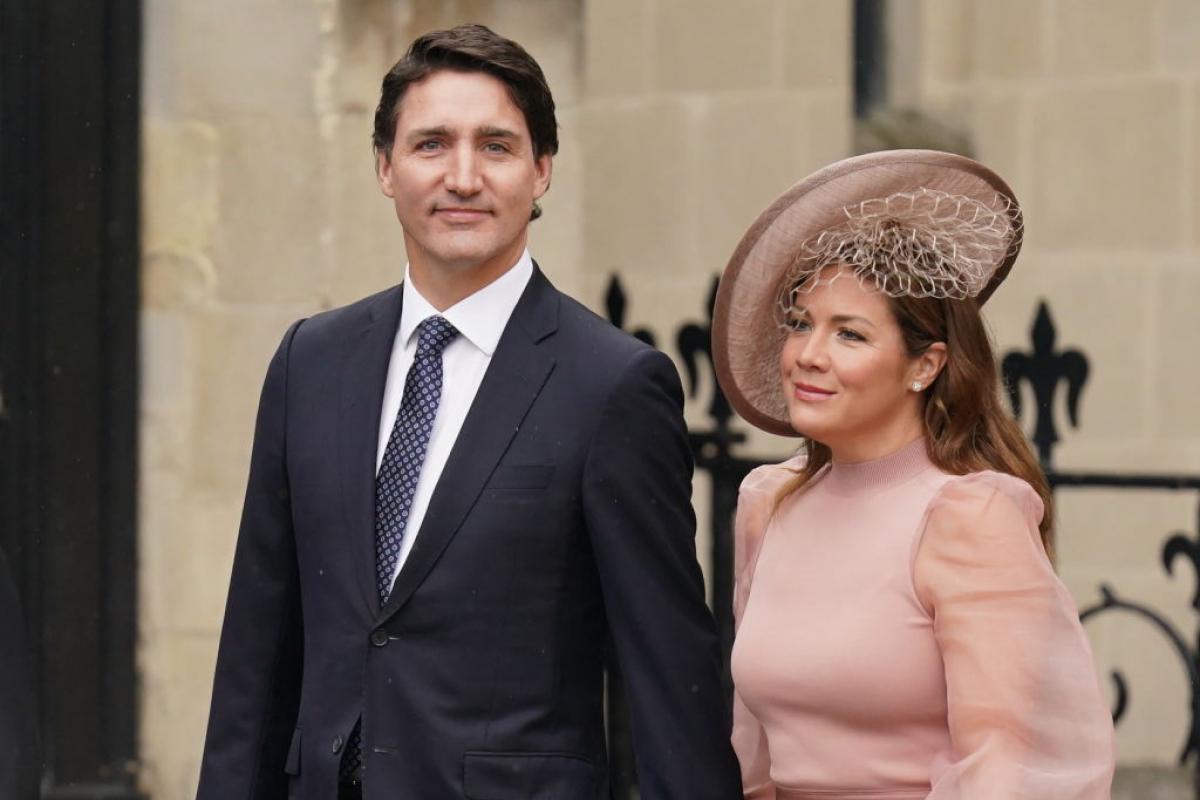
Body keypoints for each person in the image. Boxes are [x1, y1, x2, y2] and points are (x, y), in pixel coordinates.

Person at [196, 23, 741, 800]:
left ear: (541, 170)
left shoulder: (612, 387)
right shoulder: (309, 363)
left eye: (495, 145)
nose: (462, 176)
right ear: (385, 168)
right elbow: (257, 650)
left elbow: (666, 675)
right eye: (430, 145)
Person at [711, 150, 1115, 799]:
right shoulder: (769, 502)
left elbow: (1001, 766)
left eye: (849, 335)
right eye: (801, 325)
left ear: (924, 366)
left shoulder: (969, 516)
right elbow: (753, 747)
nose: (809, 356)